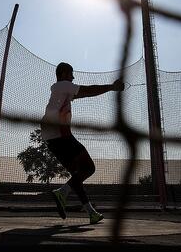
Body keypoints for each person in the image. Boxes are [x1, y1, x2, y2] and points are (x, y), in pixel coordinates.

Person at [41, 62, 124, 224]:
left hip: (51, 137)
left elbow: (84, 94)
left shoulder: (60, 91)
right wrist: (112, 87)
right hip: (59, 134)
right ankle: (61, 192)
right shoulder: (63, 85)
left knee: (76, 176)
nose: (73, 77)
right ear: (64, 74)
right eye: (71, 74)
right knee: (89, 168)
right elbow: (87, 90)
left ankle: (90, 212)